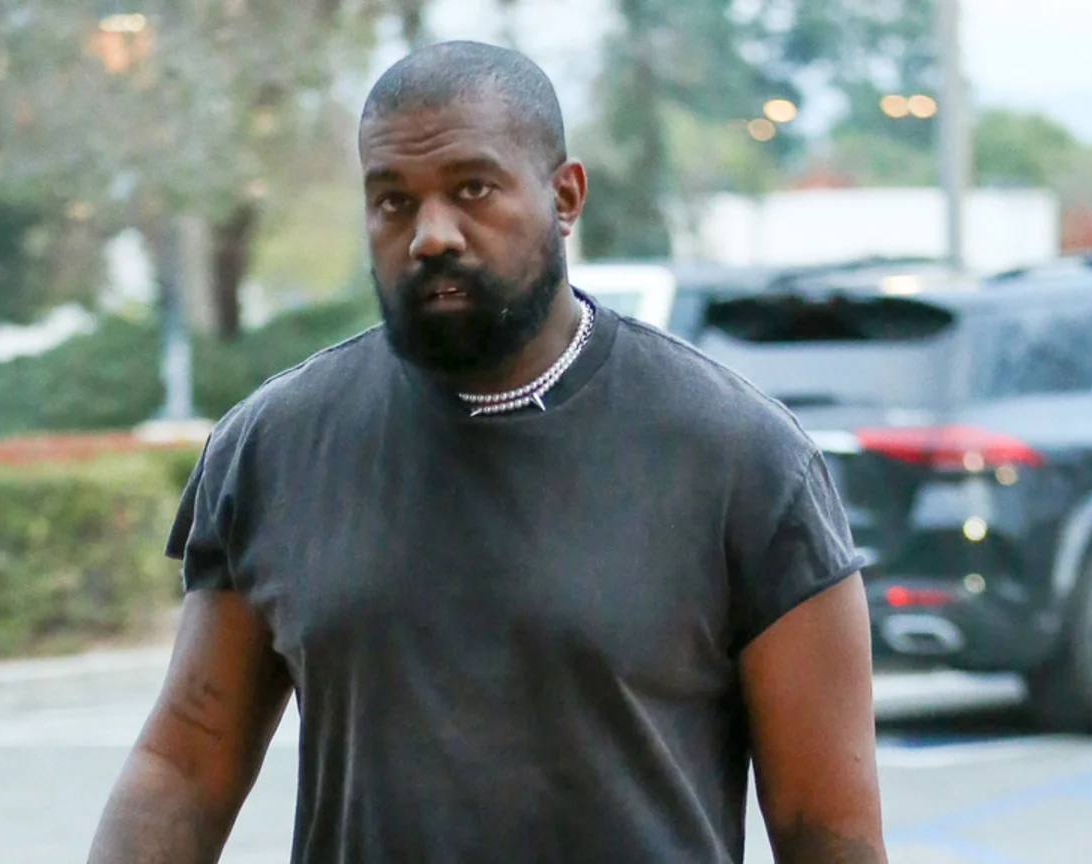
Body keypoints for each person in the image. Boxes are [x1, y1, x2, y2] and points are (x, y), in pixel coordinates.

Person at [87, 40, 885, 864]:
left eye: (473, 189)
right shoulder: (273, 448)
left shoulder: (741, 458)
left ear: (565, 196)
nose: (431, 234)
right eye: (393, 201)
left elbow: (825, 831)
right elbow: (182, 769)